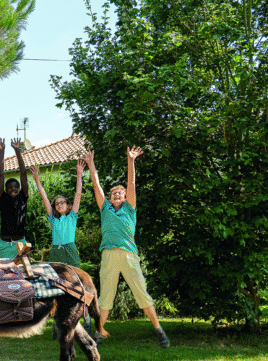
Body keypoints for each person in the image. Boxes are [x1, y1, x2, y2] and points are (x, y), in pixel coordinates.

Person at [83, 147, 170, 348]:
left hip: (130, 256)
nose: (117, 194)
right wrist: (90, 163)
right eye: (114, 192)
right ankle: (100, 333)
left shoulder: (130, 209)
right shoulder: (105, 209)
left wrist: (131, 160)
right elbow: (96, 184)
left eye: (120, 193)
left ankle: (159, 330)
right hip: (109, 255)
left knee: (142, 293)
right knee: (105, 296)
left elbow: (131, 183)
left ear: (125, 197)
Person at [30, 160, 92, 336]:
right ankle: (57, 325)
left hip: (70, 250)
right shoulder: (52, 219)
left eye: (62, 202)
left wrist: (79, 174)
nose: (59, 205)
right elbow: (43, 197)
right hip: (56, 251)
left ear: (68, 205)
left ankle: (86, 320)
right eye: (56, 203)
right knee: (54, 286)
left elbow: (78, 194)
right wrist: (37, 180)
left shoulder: (72, 217)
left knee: (79, 284)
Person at [0, 138, 29, 260]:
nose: (13, 189)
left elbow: (23, 173)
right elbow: (0, 174)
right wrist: (2, 152)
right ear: (5, 189)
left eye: (16, 187)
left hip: (21, 244)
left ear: (19, 188)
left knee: (24, 276)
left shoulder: (23, 198)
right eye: (10, 187)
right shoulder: (2, 198)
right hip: (4, 244)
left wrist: (17, 151)